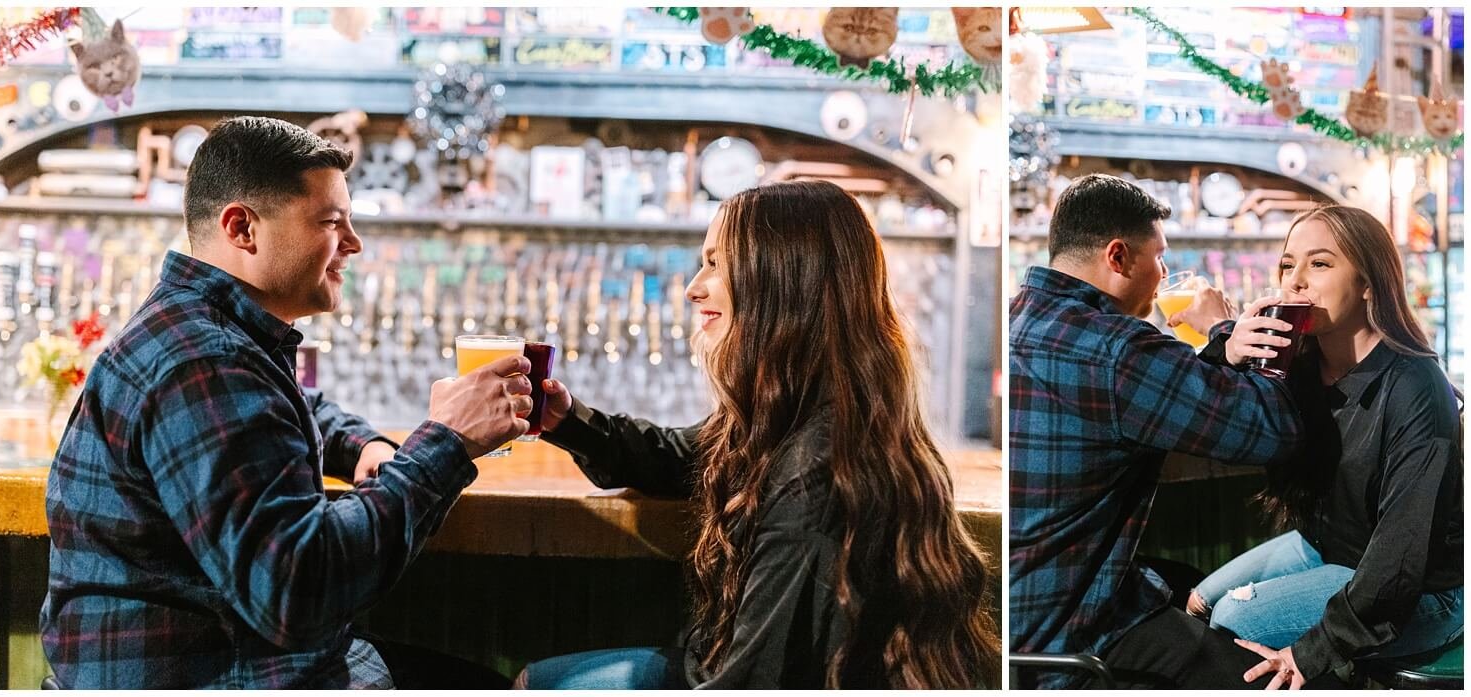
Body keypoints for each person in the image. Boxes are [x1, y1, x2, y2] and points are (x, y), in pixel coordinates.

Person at [40, 116, 532, 689]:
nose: (353, 242)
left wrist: (361, 445)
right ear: (243, 228)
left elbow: (291, 405)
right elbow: (296, 590)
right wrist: (445, 443)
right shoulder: (205, 361)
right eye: (330, 221)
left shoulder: (208, 334)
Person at [513, 180, 1000, 689]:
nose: (693, 286)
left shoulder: (816, 469)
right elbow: (680, 456)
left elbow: (751, 682)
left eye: (718, 264)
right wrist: (565, 421)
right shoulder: (798, 411)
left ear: (785, 281)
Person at [1008, 173, 1314, 689]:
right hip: (1077, 629)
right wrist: (1222, 326)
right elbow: (1270, 429)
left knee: (1192, 589)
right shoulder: (1118, 347)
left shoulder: (1021, 317)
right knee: (1265, 679)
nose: (1165, 272)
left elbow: (1166, 397)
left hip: (1020, 619)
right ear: (1118, 257)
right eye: (1159, 256)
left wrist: (1222, 354)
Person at [1184, 205, 1463, 689]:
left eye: (1320, 263)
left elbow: (1399, 560)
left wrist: (1311, 653)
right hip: (1329, 550)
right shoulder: (1301, 365)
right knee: (1197, 603)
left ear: (1369, 283)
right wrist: (1227, 346)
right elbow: (1211, 413)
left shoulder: (1415, 386)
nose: (1295, 281)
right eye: (1288, 264)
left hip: (1420, 592)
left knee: (1230, 620)